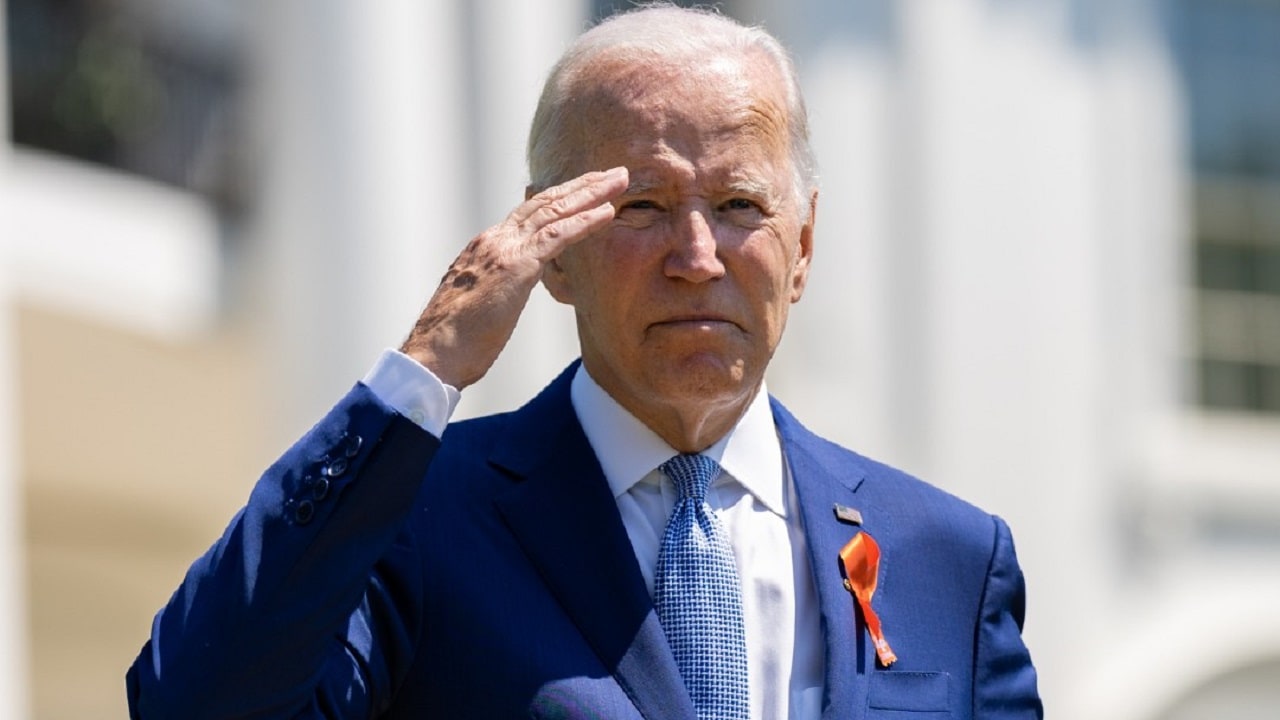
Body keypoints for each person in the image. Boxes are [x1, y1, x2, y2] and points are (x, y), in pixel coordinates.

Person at [126, 5, 1041, 719]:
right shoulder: (419, 518)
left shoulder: (948, 561)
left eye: (737, 205)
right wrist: (424, 371)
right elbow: (199, 702)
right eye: (640, 206)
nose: (697, 254)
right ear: (552, 247)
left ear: (803, 248)